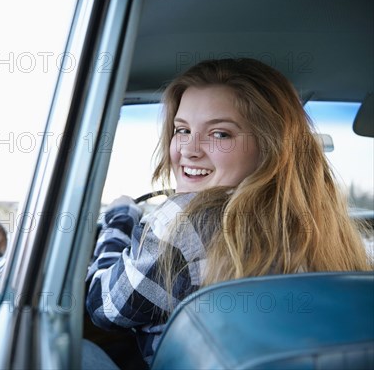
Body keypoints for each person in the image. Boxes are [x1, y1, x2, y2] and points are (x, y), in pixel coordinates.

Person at [85, 58, 372, 366]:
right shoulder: (335, 229)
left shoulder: (182, 219)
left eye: (220, 134)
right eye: (182, 130)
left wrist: (118, 221)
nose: (189, 149)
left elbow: (105, 308)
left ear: (271, 146)